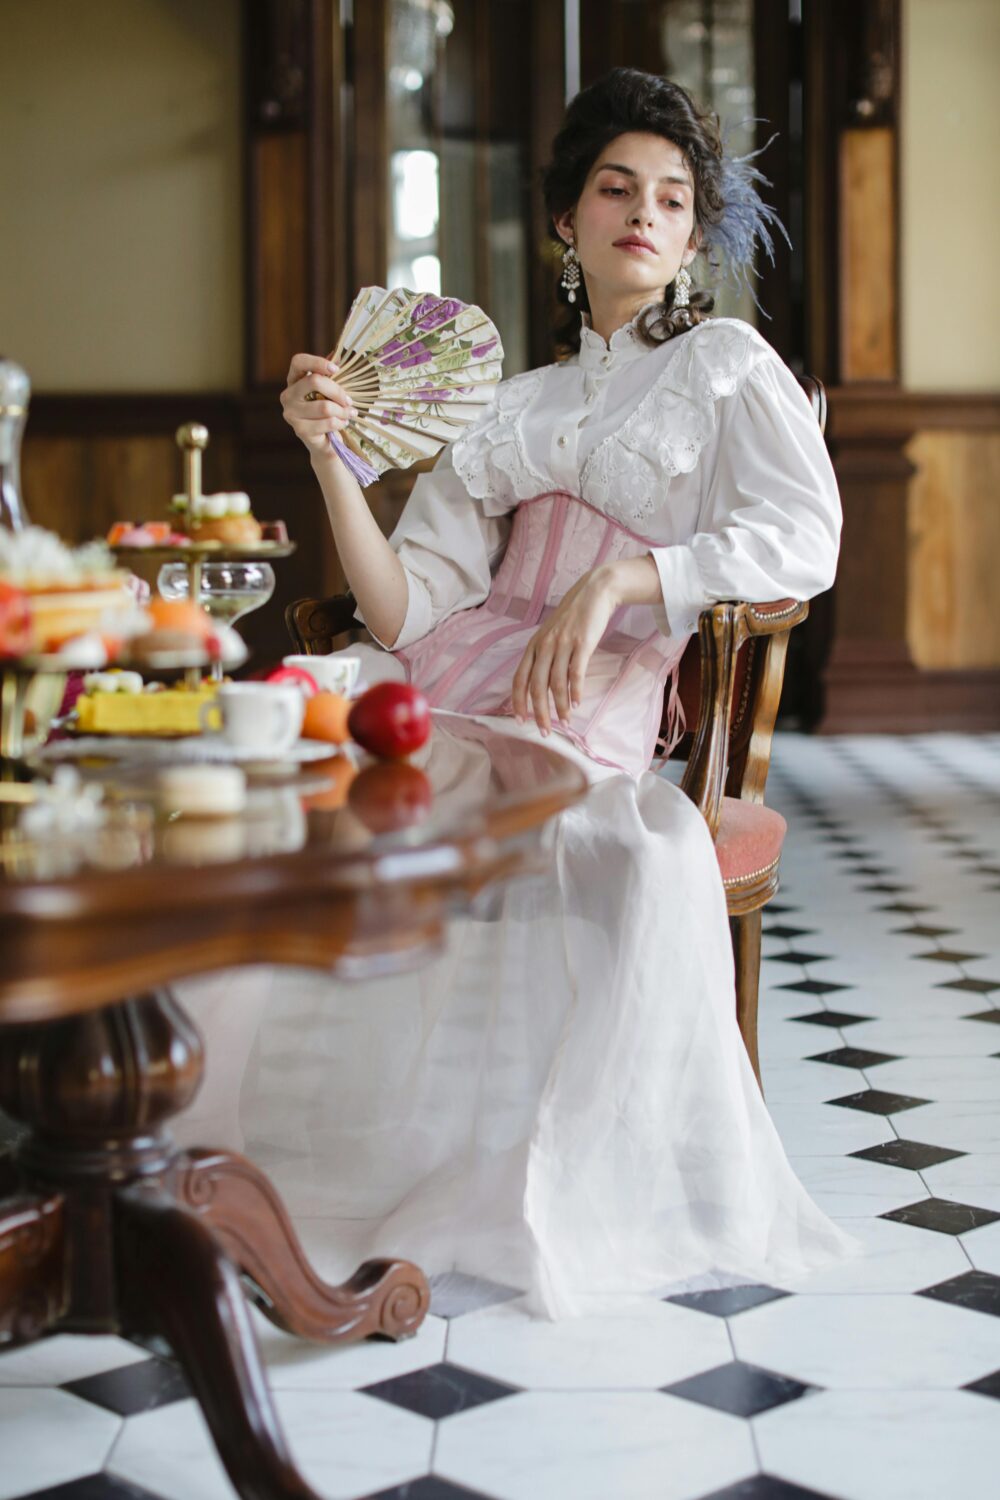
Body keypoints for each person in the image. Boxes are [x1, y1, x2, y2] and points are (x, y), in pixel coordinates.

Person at [178, 68, 863, 1319]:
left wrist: (619, 585)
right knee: (268, 784)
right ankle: (218, 1165)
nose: (641, 214)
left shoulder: (723, 365)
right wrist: (329, 458)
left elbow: (801, 538)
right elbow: (407, 609)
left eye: (669, 198)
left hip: (581, 714)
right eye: (614, 188)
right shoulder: (509, 405)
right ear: (568, 220)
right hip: (438, 690)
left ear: (692, 235)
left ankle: (489, 1189)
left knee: (618, 853)